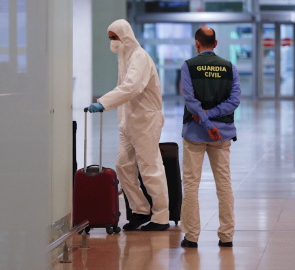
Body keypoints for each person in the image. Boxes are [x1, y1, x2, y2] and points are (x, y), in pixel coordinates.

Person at [88, 19, 170, 231]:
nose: (113, 42)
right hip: (128, 122)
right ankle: (140, 210)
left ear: (125, 36)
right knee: (123, 166)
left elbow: (131, 87)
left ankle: (161, 216)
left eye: (115, 37)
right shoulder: (124, 57)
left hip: (145, 122)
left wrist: (103, 103)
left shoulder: (139, 57)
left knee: (150, 168)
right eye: (110, 38)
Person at [180, 27, 241, 248]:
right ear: (215, 44)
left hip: (195, 134)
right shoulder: (229, 67)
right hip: (222, 134)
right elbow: (234, 100)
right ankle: (227, 236)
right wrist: (213, 120)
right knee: (224, 184)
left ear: (197, 43)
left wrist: (205, 119)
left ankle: (191, 236)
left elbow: (190, 99)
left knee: (191, 184)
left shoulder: (188, 66)